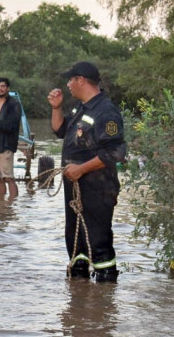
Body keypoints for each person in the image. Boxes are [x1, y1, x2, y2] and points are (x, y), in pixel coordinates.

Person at [48, 61, 126, 282]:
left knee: (98, 241)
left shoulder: (106, 111)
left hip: (97, 188)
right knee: (75, 240)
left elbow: (114, 153)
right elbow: (60, 130)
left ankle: (105, 298)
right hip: (76, 188)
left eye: (70, 79)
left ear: (80, 80)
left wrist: (81, 169)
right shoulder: (79, 107)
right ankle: (79, 300)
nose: (68, 84)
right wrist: (56, 107)